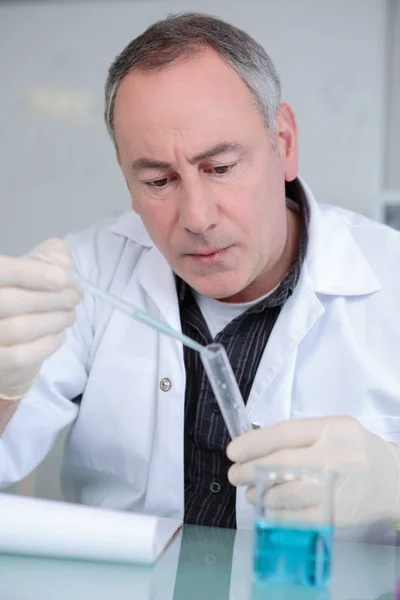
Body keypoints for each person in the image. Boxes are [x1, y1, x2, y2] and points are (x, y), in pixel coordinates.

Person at [0, 12, 399, 543]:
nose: (196, 216)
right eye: (159, 180)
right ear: (126, 177)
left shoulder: (389, 277)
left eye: (220, 168)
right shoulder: (84, 275)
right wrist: (5, 389)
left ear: (283, 143)